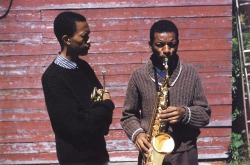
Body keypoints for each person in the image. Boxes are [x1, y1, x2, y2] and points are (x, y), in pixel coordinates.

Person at [120, 20, 211, 165]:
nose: (167, 50)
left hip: (184, 154)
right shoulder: (138, 75)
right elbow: (128, 115)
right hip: (150, 152)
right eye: (160, 45)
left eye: (172, 44)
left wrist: (184, 114)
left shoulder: (190, 73)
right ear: (150, 45)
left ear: (178, 43)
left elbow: (205, 115)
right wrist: (137, 134)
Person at [41, 11, 114, 165]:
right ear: (66, 39)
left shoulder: (83, 67)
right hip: (76, 160)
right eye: (84, 36)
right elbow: (78, 127)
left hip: (98, 156)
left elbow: (101, 119)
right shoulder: (52, 78)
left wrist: (99, 110)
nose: (89, 40)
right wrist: (106, 105)